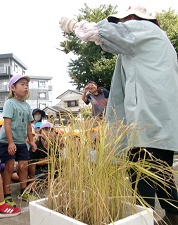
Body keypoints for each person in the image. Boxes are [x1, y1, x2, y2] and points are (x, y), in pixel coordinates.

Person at [60, 5, 178, 223]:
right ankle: (174, 218)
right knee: (163, 177)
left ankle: (144, 221)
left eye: (121, 20)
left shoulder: (141, 29)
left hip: (145, 122)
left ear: (132, 17)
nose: (120, 25)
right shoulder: (161, 40)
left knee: (141, 181)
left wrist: (74, 25)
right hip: (163, 122)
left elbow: (95, 32)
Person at [0, 74, 37, 206]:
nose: (26, 87)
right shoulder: (9, 103)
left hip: (21, 141)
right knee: (9, 167)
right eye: (22, 84)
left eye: (27, 85)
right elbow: (7, 124)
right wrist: (10, 142)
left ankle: (23, 191)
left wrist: (31, 141)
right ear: (13, 88)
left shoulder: (27, 106)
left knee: (23, 166)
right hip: (7, 141)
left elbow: (28, 125)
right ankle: (7, 195)